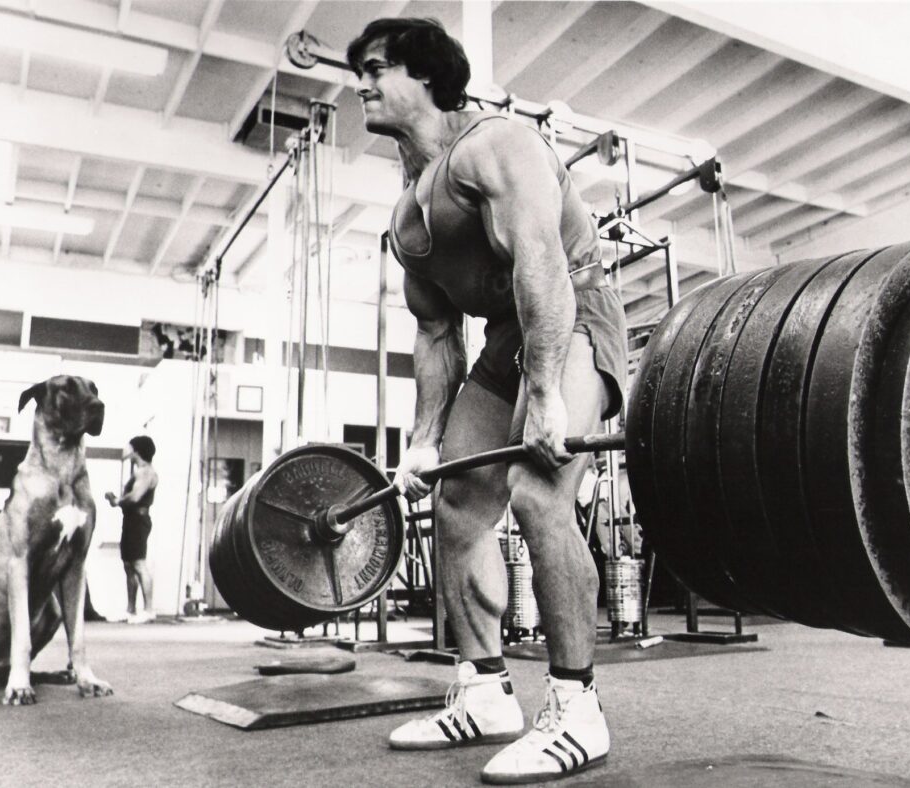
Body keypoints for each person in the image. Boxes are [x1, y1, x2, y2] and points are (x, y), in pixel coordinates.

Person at [347, 18, 627, 783]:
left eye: (376, 67)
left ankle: (577, 706)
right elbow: (438, 336)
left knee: (539, 495)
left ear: (427, 74)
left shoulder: (496, 145)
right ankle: (484, 690)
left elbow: (543, 263)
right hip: (507, 341)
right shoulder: (406, 220)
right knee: (457, 504)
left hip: (574, 316)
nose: (362, 83)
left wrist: (543, 397)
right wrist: (424, 441)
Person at [104, 436, 158, 624]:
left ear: (137, 450)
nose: (127, 450)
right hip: (130, 519)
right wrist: (117, 500)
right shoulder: (138, 472)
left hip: (138, 520)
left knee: (138, 564)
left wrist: (118, 500)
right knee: (128, 565)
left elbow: (135, 497)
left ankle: (149, 610)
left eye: (130, 447)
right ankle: (131, 609)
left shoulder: (146, 472)